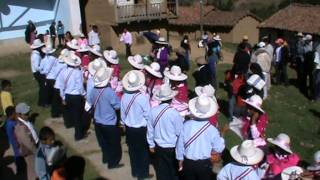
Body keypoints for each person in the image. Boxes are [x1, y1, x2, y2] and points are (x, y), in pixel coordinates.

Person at [176, 95, 225, 180]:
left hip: (188, 162)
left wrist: (180, 159)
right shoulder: (212, 130)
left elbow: (180, 144)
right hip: (204, 164)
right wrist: (222, 137)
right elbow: (219, 148)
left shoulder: (186, 125)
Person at [88, 67, 124, 169]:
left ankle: (106, 158)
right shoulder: (109, 91)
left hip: (98, 121)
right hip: (109, 123)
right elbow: (117, 106)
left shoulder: (93, 90)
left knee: (104, 143)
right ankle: (113, 163)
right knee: (114, 144)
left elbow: (90, 102)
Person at [147, 84, 183, 180]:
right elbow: (180, 133)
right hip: (172, 147)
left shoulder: (153, 111)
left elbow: (150, 130)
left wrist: (151, 145)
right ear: (171, 99)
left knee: (161, 171)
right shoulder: (174, 114)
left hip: (158, 146)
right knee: (173, 172)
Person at [121, 70, 152, 179]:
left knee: (132, 151)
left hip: (129, 128)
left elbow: (122, 114)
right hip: (141, 129)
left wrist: (123, 124)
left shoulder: (124, 97)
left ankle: (135, 171)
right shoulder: (143, 98)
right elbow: (148, 115)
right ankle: (143, 173)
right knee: (143, 152)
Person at [58, 51, 86, 141]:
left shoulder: (63, 72)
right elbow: (80, 86)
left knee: (73, 114)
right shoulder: (78, 73)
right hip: (76, 96)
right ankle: (78, 135)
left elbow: (61, 86)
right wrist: (84, 95)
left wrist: (62, 97)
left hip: (67, 95)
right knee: (78, 116)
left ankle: (73, 127)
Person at [15, 102, 38, 180]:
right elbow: (29, 144)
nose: (28, 115)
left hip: (35, 146)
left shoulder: (25, 120)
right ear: (19, 115)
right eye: (26, 114)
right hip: (30, 152)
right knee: (35, 169)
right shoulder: (20, 128)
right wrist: (37, 152)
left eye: (28, 113)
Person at [5, 106, 25, 174]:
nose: (16, 114)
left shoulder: (8, 121)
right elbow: (17, 127)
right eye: (15, 113)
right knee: (18, 154)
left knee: (18, 153)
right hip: (15, 141)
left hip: (13, 140)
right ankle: (20, 168)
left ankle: (20, 166)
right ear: (11, 115)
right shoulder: (11, 124)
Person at [51, 49, 68, 118]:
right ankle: (62, 113)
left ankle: (55, 113)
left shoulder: (57, 64)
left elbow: (54, 74)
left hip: (56, 85)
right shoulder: (65, 66)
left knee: (55, 102)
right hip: (62, 86)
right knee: (62, 101)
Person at [30, 39, 46, 106]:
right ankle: (43, 102)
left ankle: (40, 102)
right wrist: (43, 70)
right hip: (38, 73)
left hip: (36, 73)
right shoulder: (36, 56)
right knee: (43, 87)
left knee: (42, 87)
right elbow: (37, 67)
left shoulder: (35, 54)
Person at [303, 34, 315, 99]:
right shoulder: (305, 45)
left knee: (311, 79)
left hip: (311, 64)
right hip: (306, 62)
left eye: (307, 40)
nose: (306, 41)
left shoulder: (313, 45)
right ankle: (304, 88)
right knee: (304, 75)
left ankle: (311, 94)